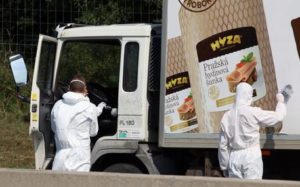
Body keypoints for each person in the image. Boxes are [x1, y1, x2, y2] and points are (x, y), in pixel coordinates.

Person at [218, 82, 287, 179]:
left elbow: (223, 145)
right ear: (249, 96)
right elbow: (278, 117)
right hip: (251, 156)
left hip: (234, 157)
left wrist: (224, 166)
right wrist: (280, 102)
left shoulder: (227, 116)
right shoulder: (253, 112)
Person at [51, 74, 106, 171]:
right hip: (80, 159)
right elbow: (93, 132)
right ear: (85, 89)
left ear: (69, 88)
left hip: (60, 158)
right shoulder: (89, 107)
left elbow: (54, 128)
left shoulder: (57, 105)